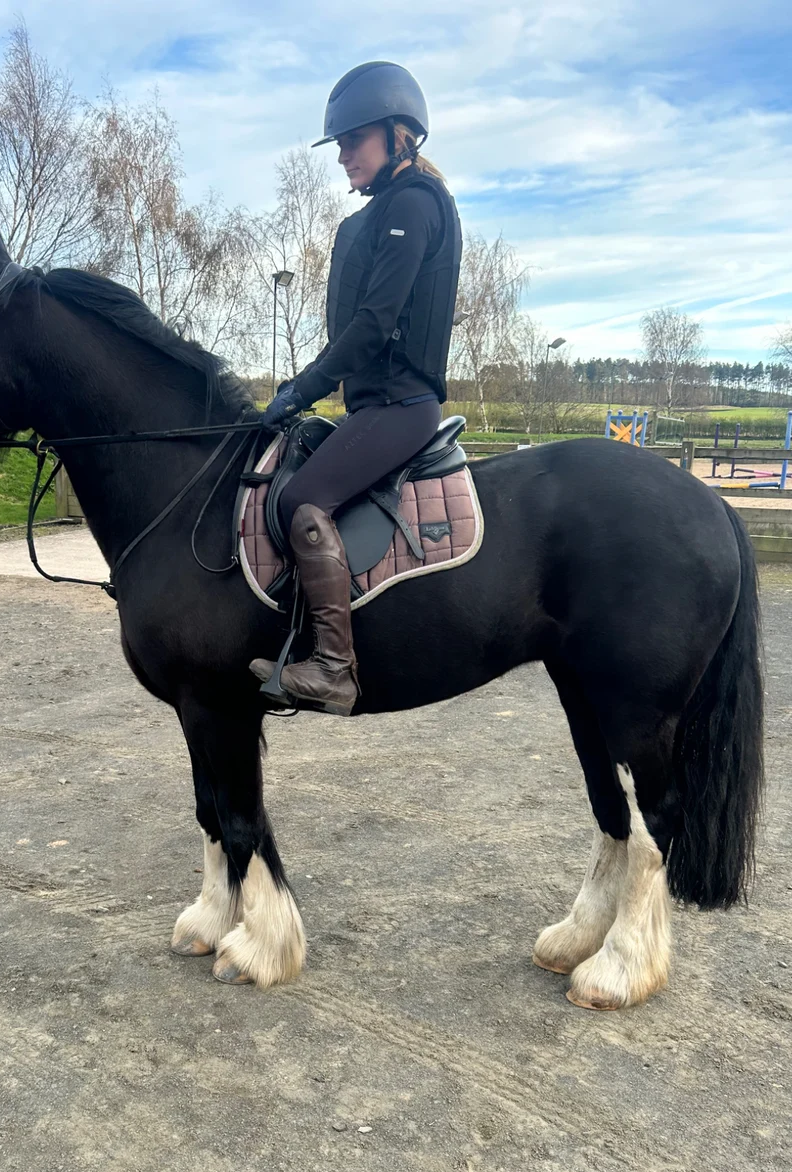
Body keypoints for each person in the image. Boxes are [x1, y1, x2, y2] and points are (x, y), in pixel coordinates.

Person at [250, 60, 463, 715]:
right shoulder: (378, 213)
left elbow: (373, 324)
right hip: (375, 405)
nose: (343, 155)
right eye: (339, 144)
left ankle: (334, 668)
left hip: (403, 406)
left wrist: (303, 388)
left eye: (353, 140)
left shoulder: (414, 203)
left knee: (303, 499)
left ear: (399, 135)